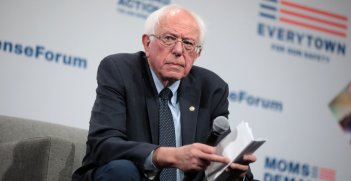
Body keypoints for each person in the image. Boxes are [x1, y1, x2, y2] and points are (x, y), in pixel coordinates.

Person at [72, 4, 257, 181]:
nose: (178, 50)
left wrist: (234, 171)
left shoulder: (212, 88)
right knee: (122, 171)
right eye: (169, 38)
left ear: (197, 54)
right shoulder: (120, 71)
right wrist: (167, 156)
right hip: (130, 176)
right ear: (147, 43)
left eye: (188, 43)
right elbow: (103, 145)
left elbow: (228, 159)